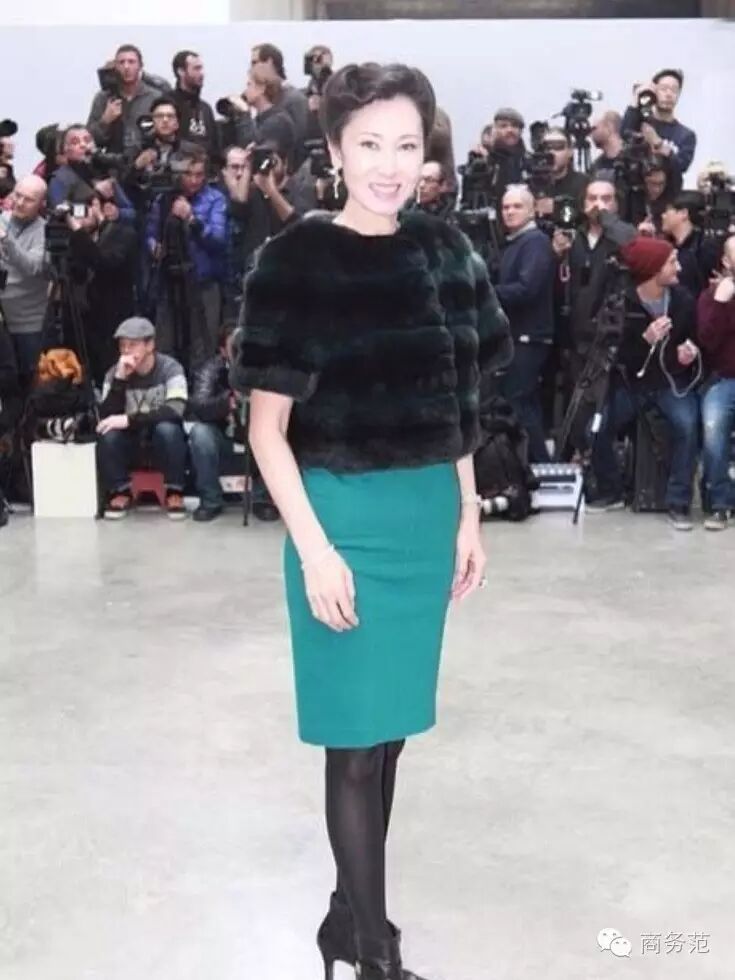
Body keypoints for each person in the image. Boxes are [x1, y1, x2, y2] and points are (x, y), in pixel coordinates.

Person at [231, 61, 511, 980]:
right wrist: (314, 552)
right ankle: (376, 957)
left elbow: (458, 401)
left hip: (424, 515)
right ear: (335, 150)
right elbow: (265, 432)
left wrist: (467, 514)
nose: (390, 166)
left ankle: (345, 921)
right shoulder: (296, 261)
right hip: (338, 520)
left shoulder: (444, 251)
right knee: (352, 746)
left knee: (387, 738)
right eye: (370, 145)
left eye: (406, 145)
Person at [588, 236, 701, 529]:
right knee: (596, 427)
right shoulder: (622, 303)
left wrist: (688, 352)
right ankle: (611, 489)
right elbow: (611, 353)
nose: (679, 267)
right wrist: (644, 340)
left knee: (688, 425)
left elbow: (696, 339)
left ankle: (678, 502)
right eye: (672, 262)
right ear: (653, 269)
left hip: (669, 383)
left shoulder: (683, 300)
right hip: (631, 385)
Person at [97, 316, 188, 520]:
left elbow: (176, 409)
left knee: (168, 430)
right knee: (108, 433)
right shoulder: (114, 373)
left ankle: (174, 490)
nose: (126, 351)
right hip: (131, 442)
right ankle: (120, 490)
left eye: (133, 345)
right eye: (122, 345)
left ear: (150, 345)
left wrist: (130, 420)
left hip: (161, 440)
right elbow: (106, 417)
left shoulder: (170, 369)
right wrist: (120, 380)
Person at [146, 146, 227, 374]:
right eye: (188, 174)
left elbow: (218, 240)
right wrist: (153, 246)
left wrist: (192, 218)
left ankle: (202, 392)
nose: (193, 180)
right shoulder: (164, 199)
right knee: (165, 345)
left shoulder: (215, 199)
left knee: (203, 349)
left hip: (203, 282)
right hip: (169, 282)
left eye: (199, 174)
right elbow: (151, 232)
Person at [188, 330, 279, 522]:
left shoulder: (267, 370)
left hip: (257, 440)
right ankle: (211, 500)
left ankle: (262, 498)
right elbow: (199, 406)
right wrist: (225, 402)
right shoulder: (211, 370)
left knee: (277, 433)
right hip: (224, 439)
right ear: (223, 350)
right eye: (235, 348)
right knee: (200, 433)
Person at [495, 184, 556, 462]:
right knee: (524, 402)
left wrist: (488, 292)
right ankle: (535, 466)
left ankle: (538, 465)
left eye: (517, 206)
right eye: (505, 207)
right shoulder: (514, 243)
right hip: (518, 336)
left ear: (532, 211)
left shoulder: (535, 243)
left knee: (519, 401)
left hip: (529, 337)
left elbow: (527, 288)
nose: (509, 212)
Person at [66, 193, 138, 385]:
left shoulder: (123, 233)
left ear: (103, 208)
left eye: (86, 209)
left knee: (108, 367)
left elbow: (105, 262)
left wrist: (79, 233)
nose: (80, 216)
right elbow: (75, 272)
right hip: (83, 314)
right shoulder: (76, 238)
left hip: (111, 314)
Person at [696, 235, 735, 530]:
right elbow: (707, 342)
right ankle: (721, 503)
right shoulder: (711, 296)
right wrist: (721, 303)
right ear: (726, 261)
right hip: (725, 378)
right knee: (713, 424)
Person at [0, 176, 50, 388]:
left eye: (28, 199)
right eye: (17, 195)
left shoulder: (45, 231)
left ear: (41, 203)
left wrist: (6, 241)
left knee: (30, 382)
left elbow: (33, 267)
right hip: (1, 318)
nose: (20, 203)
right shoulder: (2, 219)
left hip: (28, 321)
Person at [47, 125, 135, 224]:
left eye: (88, 140)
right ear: (65, 150)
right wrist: (95, 196)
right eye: (75, 142)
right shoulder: (60, 178)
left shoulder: (103, 174)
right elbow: (59, 212)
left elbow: (131, 212)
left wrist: (118, 213)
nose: (83, 145)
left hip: (110, 231)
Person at [87, 44, 163, 156]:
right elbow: (89, 140)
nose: (126, 67)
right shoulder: (103, 98)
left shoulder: (155, 97)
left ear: (140, 66)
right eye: (121, 62)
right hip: (112, 161)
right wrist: (105, 121)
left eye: (131, 62)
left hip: (147, 160)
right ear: (115, 67)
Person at [622, 70, 696, 176]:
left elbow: (682, 166)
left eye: (674, 90)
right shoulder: (641, 124)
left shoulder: (686, 135)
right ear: (655, 91)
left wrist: (658, 144)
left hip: (668, 185)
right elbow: (623, 135)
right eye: (663, 89)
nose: (668, 94)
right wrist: (637, 98)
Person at [250, 43, 309, 160]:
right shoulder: (265, 100)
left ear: (269, 62)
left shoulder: (294, 98)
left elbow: (301, 139)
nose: (252, 68)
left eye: (255, 63)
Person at [660, 191, 720, 299]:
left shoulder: (704, 247)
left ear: (683, 213)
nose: (663, 215)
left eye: (667, 211)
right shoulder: (665, 245)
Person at [171, 50, 219, 162]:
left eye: (201, 68)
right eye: (196, 69)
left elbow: (214, 148)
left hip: (204, 169)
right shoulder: (168, 105)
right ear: (181, 71)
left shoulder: (205, 108)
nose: (201, 74)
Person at [536, 128, 589, 215]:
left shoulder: (584, 184)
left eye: (558, 147)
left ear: (570, 151)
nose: (551, 152)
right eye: (547, 147)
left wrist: (558, 208)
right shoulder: (533, 184)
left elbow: (590, 215)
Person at [590, 111, 624, 177]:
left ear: (609, 127)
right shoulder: (596, 167)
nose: (591, 134)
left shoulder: (632, 158)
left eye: (594, 128)